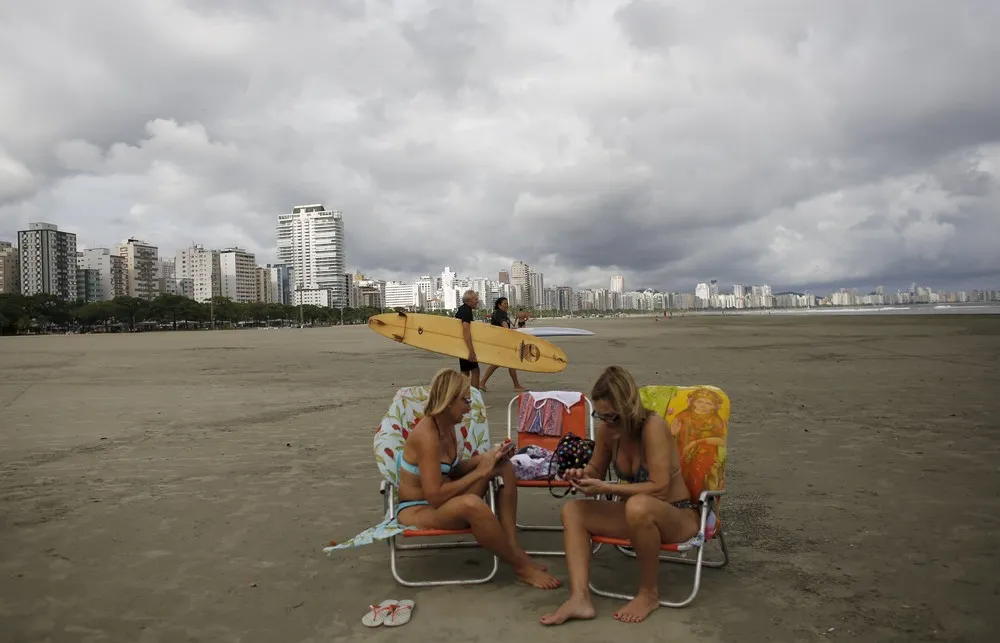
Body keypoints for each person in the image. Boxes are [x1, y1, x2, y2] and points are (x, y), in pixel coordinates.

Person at [539, 366, 699, 625]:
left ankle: (649, 593)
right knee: (573, 511)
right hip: (637, 516)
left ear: (629, 408)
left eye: (612, 416)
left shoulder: (652, 427)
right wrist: (580, 475)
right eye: (600, 415)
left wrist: (605, 488)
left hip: (677, 516)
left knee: (638, 506)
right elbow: (596, 471)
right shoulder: (607, 431)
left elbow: (659, 487)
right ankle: (579, 598)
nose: (606, 422)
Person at [396, 368, 561, 589]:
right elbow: (434, 497)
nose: (469, 408)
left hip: (444, 501)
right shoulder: (427, 437)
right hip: (419, 509)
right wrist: (480, 471)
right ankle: (522, 567)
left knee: (503, 466)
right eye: (465, 401)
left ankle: (513, 546)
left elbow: (452, 470)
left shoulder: (447, 426)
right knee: (471, 504)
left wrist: (488, 458)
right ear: (449, 401)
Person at [479, 297, 526, 393]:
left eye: (507, 303)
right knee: (505, 363)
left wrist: (511, 329)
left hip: (502, 342)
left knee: (503, 363)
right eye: (505, 303)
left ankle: (482, 383)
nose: (506, 305)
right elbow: (504, 325)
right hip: (501, 342)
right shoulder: (499, 313)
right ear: (499, 305)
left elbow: (504, 326)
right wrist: (509, 330)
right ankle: (516, 385)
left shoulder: (502, 313)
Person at [455, 290, 481, 389]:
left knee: (465, 372)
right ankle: (474, 397)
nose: (477, 301)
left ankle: (460, 394)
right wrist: (471, 350)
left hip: (462, 345)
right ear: (469, 300)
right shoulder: (466, 311)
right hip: (465, 346)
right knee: (475, 371)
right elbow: (466, 330)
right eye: (475, 299)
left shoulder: (463, 309)